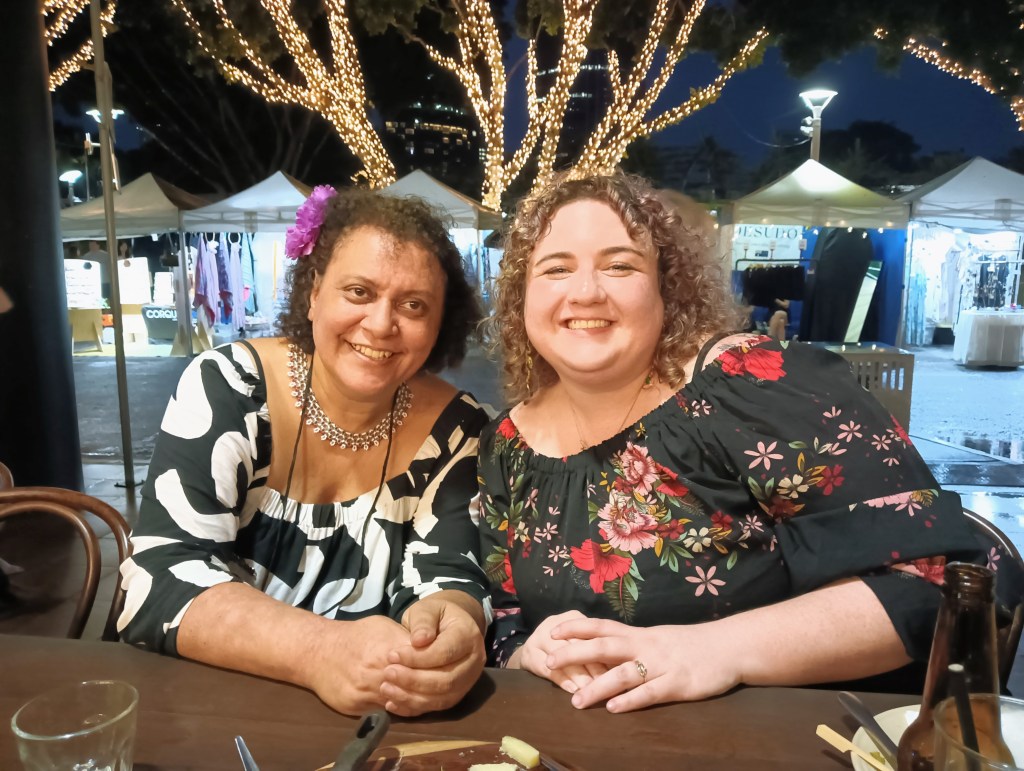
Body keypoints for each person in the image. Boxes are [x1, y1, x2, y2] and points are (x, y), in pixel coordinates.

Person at [477, 170, 983, 713]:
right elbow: (505, 620)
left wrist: (716, 650)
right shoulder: (508, 443)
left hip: (781, 738)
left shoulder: (753, 384)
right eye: (556, 269)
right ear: (521, 297)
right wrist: (531, 653)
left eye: (619, 265)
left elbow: (936, 583)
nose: (585, 292)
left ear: (666, 287)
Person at [119, 187, 492, 717]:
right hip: (208, 708)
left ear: (439, 324)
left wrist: (451, 623)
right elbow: (160, 577)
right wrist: (320, 651)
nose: (381, 324)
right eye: (359, 292)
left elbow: (448, 574)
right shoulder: (230, 386)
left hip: (378, 718)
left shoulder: (458, 427)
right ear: (314, 293)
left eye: (413, 305)